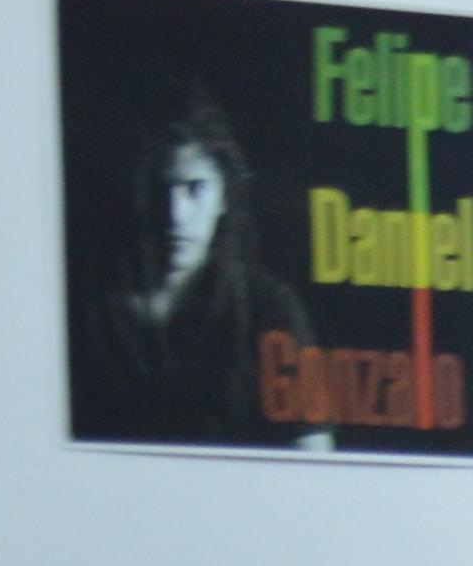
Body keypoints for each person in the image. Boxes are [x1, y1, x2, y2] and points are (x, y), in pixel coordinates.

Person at [71, 85, 317, 446]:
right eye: (159, 189)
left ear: (223, 197)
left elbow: (311, 452)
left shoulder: (267, 308)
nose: (175, 215)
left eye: (195, 189)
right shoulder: (84, 305)